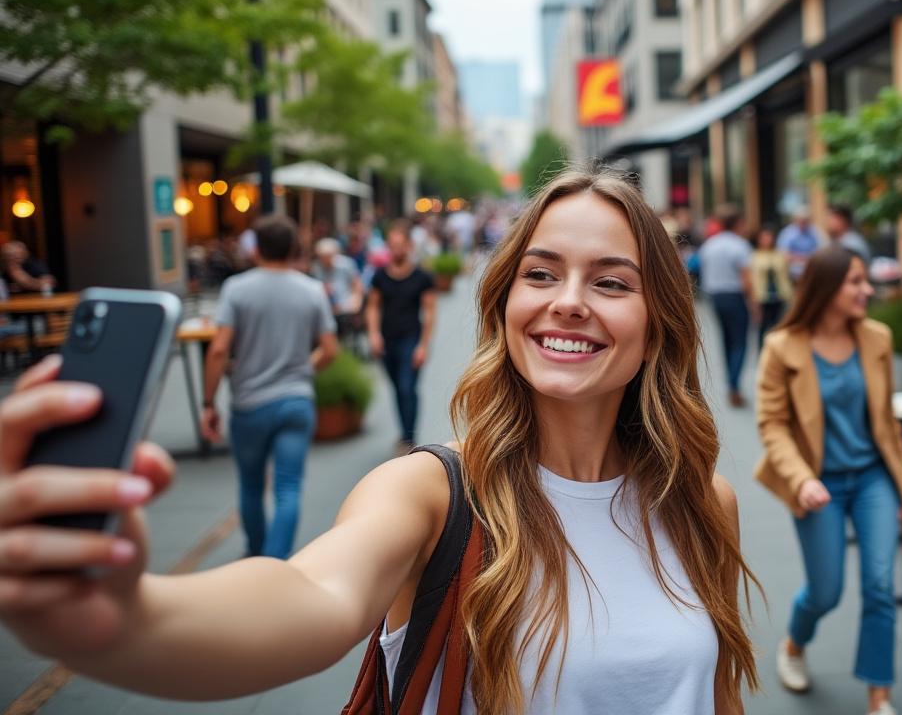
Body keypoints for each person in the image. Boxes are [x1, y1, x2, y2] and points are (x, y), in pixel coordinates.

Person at [0, 168, 759, 713]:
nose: (567, 303)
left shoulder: (702, 504)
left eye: (611, 283)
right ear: (504, 305)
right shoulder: (427, 494)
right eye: (541, 273)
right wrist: (124, 619)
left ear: (658, 321)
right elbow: (310, 598)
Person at [756, 245, 902, 715]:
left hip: (873, 479)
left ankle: (879, 695)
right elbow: (772, 424)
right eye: (857, 281)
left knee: (880, 586)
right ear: (827, 287)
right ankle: (794, 645)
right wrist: (801, 479)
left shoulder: (877, 339)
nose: (868, 290)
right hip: (818, 484)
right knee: (825, 592)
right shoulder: (782, 347)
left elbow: (886, 419)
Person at [200, 214, 340, 558]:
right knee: (288, 488)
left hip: (249, 403)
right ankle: (274, 564)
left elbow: (218, 349)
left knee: (250, 486)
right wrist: (305, 370)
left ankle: (255, 553)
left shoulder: (237, 288)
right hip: (296, 400)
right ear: (294, 248)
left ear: (256, 248)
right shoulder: (311, 290)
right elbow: (330, 349)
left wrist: (207, 402)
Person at [366, 221, 437, 452]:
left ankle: (409, 439)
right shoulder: (380, 277)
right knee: (397, 388)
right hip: (387, 340)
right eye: (392, 245)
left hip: (411, 339)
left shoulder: (421, 277)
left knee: (408, 387)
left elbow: (429, 312)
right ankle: (404, 433)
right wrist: (374, 334)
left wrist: (424, 346)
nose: (396, 250)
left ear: (409, 246)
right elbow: (373, 306)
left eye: (400, 245)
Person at [698, 211, 757, 408]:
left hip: (715, 297)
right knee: (739, 341)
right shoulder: (740, 246)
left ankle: (730, 383)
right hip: (735, 296)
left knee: (726, 339)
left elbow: (700, 269)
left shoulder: (710, 244)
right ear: (738, 223)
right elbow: (746, 279)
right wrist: (754, 304)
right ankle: (734, 384)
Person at [311, 237, 365, 342]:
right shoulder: (316, 267)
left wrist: (356, 302)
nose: (326, 260)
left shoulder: (346, 264)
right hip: (326, 308)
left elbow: (357, 285)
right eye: (323, 257)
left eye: (328, 256)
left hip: (345, 309)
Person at [750, 226, 792, 354]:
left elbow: (786, 274)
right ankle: (763, 353)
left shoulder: (780, 255)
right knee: (763, 327)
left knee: (779, 326)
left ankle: (779, 352)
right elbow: (752, 279)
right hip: (762, 296)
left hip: (779, 295)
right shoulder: (754, 256)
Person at [777, 208, 820, 281]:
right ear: (795, 220)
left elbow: (821, 251)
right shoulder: (787, 233)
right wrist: (800, 259)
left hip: (811, 267)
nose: (803, 222)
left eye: (805, 220)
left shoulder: (815, 232)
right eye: (801, 220)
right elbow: (783, 253)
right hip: (791, 268)